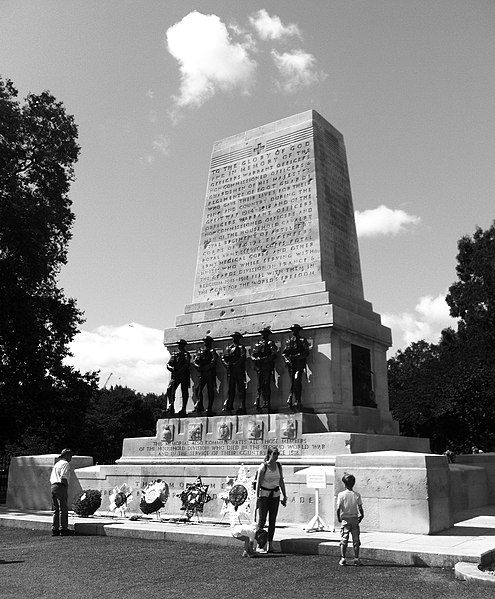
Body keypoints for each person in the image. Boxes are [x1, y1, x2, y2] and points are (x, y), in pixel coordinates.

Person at [255, 446, 287, 553]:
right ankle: (260, 544)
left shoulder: (279, 466)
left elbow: (281, 481)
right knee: (262, 520)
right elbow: (258, 484)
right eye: (274, 454)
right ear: (269, 454)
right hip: (264, 495)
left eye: (278, 454)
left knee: (272, 520)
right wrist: (257, 498)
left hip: (275, 495)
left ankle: (270, 544)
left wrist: (284, 495)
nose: (276, 456)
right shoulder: (263, 467)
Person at [336, 473, 364, 566]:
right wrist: (362, 515)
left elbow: (338, 508)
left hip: (345, 519)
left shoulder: (341, 495)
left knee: (344, 539)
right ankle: (356, 558)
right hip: (355, 519)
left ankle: (343, 558)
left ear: (344, 484)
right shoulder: (357, 495)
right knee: (356, 540)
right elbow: (360, 507)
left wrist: (338, 517)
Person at [282, 324, 310, 410]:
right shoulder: (289, 341)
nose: (294, 331)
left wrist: (298, 356)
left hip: (299, 364)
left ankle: (298, 400)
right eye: (293, 330)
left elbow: (306, 352)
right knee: (293, 382)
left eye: (296, 330)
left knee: (297, 380)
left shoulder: (302, 340)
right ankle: (295, 400)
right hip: (291, 365)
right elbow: (284, 353)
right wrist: (287, 360)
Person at [252, 327, 278, 411]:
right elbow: (252, 355)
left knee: (266, 384)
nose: (263, 335)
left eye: (265, 333)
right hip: (259, 367)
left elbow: (274, 353)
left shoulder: (270, 343)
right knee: (260, 386)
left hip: (267, 366)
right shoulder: (257, 344)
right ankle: (260, 402)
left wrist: (265, 359)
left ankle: (267, 402)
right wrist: (256, 359)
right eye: (262, 333)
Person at [50, 448, 75, 536]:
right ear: (67, 455)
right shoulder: (65, 464)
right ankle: (63, 528)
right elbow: (63, 477)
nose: (71, 457)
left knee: (56, 509)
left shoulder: (57, 464)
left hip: (53, 486)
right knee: (63, 508)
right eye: (70, 455)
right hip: (60, 486)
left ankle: (55, 528)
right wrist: (66, 487)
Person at [221, 332, 247, 414]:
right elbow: (223, 357)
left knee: (241, 388)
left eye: (235, 337)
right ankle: (229, 405)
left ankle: (242, 405)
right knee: (231, 389)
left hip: (238, 370)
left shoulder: (241, 347)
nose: (233, 339)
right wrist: (226, 364)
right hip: (230, 370)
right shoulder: (229, 347)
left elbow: (243, 357)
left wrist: (236, 364)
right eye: (233, 337)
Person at [165, 339, 191, 416]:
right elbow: (168, 364)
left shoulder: (186, 354)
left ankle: (183, 408)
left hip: (183, 375)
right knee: (169, 389)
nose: (179, 346)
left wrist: (179, 371)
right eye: (179, 344)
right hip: (175, 376)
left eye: (180, 344)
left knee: (184, 392)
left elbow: (187, 364)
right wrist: (171, 368)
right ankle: (171, 406)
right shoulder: (175, 354)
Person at [193, 336, 218, 415]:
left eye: (207, 341)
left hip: (209, 373)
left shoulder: (212, 351)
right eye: (204, 341)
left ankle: (209, 407)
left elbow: (214, 360)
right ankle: (200, 405)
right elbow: (195, 361)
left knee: (210, 390)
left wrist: (207, 367)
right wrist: (197, 366)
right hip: (202, 373)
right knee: (197, 390)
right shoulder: (200, 351)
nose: (205, 343)